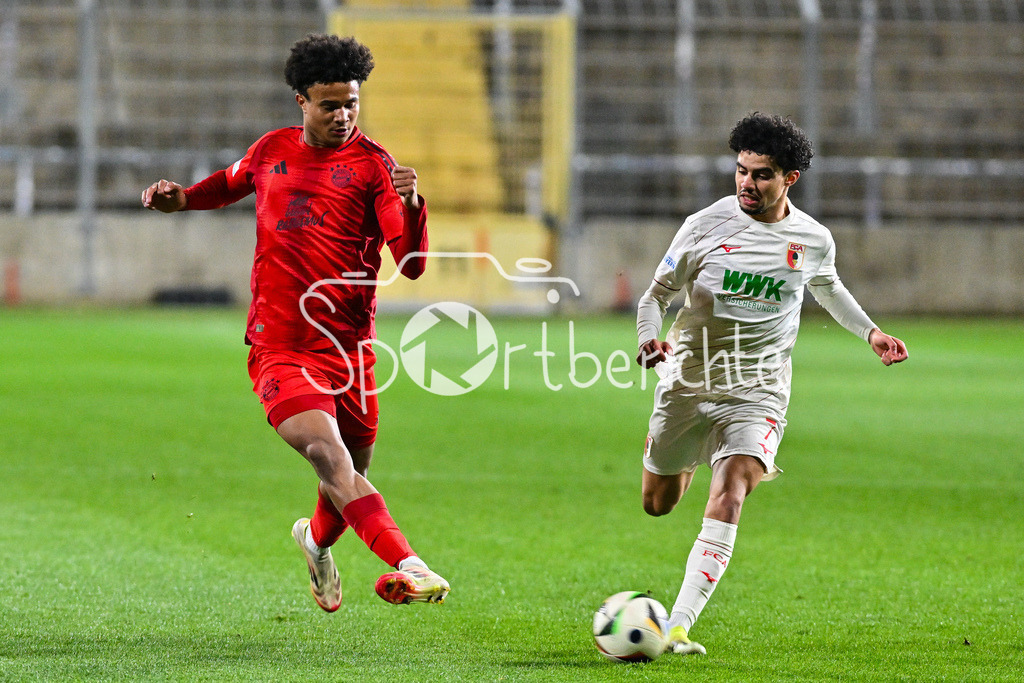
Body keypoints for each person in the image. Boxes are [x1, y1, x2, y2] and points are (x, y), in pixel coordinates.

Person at [142, 34, 449, 610]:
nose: (343, 115)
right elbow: (228, 184)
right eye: (329, 104)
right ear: (301, 101)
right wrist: (179, 200)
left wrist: (412, 208)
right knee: (329, 457)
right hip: (281, 345)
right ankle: (411, 563)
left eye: (351, 103)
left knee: (349, 474)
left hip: (353, 352)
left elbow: (408, 264)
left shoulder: (374, 168)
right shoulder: (271, 151)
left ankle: (314, 540)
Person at [635, 112, 907, 654]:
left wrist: (870, 332)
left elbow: (828, 288)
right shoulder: (704, 226)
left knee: (733, 487)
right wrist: (650, 340)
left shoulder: (811, 238)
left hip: (759, 388)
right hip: (690, 379)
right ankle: (687, 454)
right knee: (657, 503)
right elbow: (655, 298)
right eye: (741, 171)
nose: (747, 184)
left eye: (761, 175)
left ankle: (680, 626)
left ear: (790, 179)